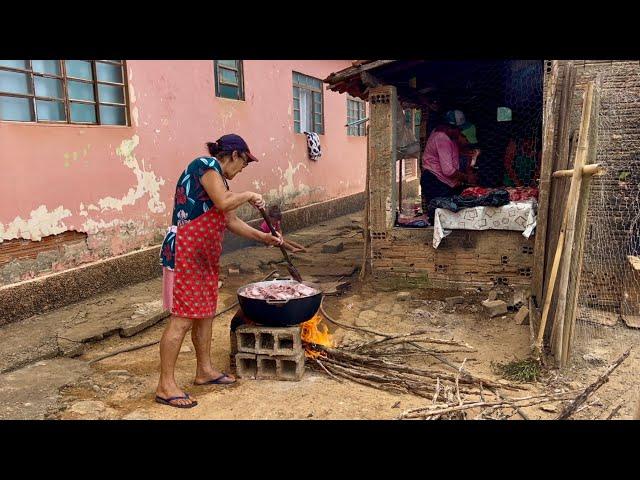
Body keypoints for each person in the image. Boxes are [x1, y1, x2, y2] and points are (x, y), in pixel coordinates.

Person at [156, 134, 284, 408]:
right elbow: (225, 202)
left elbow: (230, 219)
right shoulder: (205, 165)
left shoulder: (220, 181)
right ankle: (166, 385)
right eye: (243, 164)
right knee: (181, 319)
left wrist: (264, 238)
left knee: (204, 315)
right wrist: (249, 195)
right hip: (186, 253)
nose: (241, 170)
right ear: (235, 154)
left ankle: (204, 371)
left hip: (203, 257)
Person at [420, 111, 477, 222]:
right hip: (435, 181)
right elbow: (448, 171)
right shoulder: (441, 138)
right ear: (451, 127)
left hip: (445, 183)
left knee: (448, 217)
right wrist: (467, 178)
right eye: (459, 129)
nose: (460, 132)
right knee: (439, 217)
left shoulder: (451, 137)